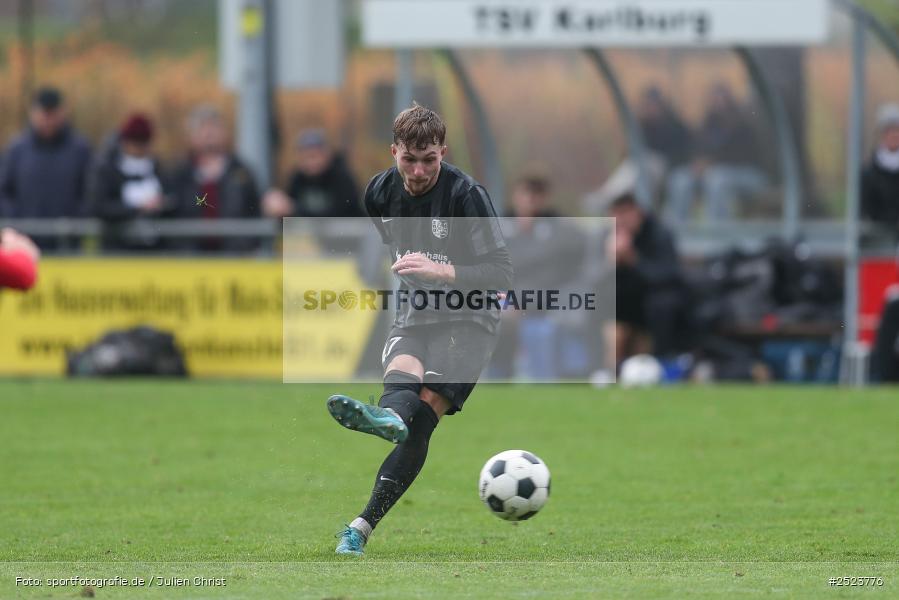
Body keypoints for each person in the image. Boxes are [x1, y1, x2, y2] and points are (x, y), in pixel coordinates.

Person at [325, 104, 513, 555]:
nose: (419, 170)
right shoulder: (378, 193)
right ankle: (388, 416)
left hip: (471, 316)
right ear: (393, 151)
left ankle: (361, 526)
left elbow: (501, 272)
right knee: (401, 381)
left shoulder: (467, 195)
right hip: (416, 307)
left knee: (423, 414)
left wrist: (442, 270)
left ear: (442, 152)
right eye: (409, 159)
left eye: (430, 159)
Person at [0, 86, 92, 249]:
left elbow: (89, 191)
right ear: (33, 113)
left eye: (53, 115)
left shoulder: (80, 149)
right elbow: (5, 191)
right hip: (24, 243)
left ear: (62, 113)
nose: (48, 120)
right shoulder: (17, 149)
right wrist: (17, 222)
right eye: (44, 114)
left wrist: (75, 221)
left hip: (67, 243)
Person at [664, 83, 767, 223]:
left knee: (716, 179)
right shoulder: (707, 124)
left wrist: (711, 164)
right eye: (714, 99)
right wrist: (697, 164)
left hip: (747, 174)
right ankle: (678, 229)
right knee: (680, 178)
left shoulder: (742, 125)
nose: (718, 104)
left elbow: (742, 156)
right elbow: (697, 150)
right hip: (709, 172)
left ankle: (716, 231)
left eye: (721, 99)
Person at [606, 193, 687, 368]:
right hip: (623, 302)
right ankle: (601, 369)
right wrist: (610, 262)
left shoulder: (659, 234)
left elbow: (668, 276)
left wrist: (633, 261)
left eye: (625, 213)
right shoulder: (606, 237)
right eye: (616, 215)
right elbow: (592, 278)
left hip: (652, 301)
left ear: (638, 213)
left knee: (662, 305)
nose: (621, 220)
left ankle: (662, 363)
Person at [169, 105, 260, 252]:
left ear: (225, 133)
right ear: (191, 136)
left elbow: (255, 210)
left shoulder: (242, 172)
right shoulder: (179, 173)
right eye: (202, 127)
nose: (209, 133)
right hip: (188, 260)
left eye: (214, 127)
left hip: (234, 257)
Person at [90, 113, 170, 251]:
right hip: (117, 251)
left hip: (153, 252)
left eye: (143, 143)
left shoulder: (157, 169)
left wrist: (162, 204)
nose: (139, 149)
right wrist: (137, 208)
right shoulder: (108, 170)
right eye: (135, 143)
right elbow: (98, 206)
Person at [263, 129, 362, 219]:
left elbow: (341, 214)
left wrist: (294, 209)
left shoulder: (342, 178)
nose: (311, 162)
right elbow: (290, 210)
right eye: (306, 157)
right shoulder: (297, 179)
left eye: (314, 156)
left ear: (327, 154)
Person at [861, 103, 899, 237]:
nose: (894, 135)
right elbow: (866, 207)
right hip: (878, 239)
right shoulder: (869, 172)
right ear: (882, 134)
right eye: (889, 130)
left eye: (897, 130)